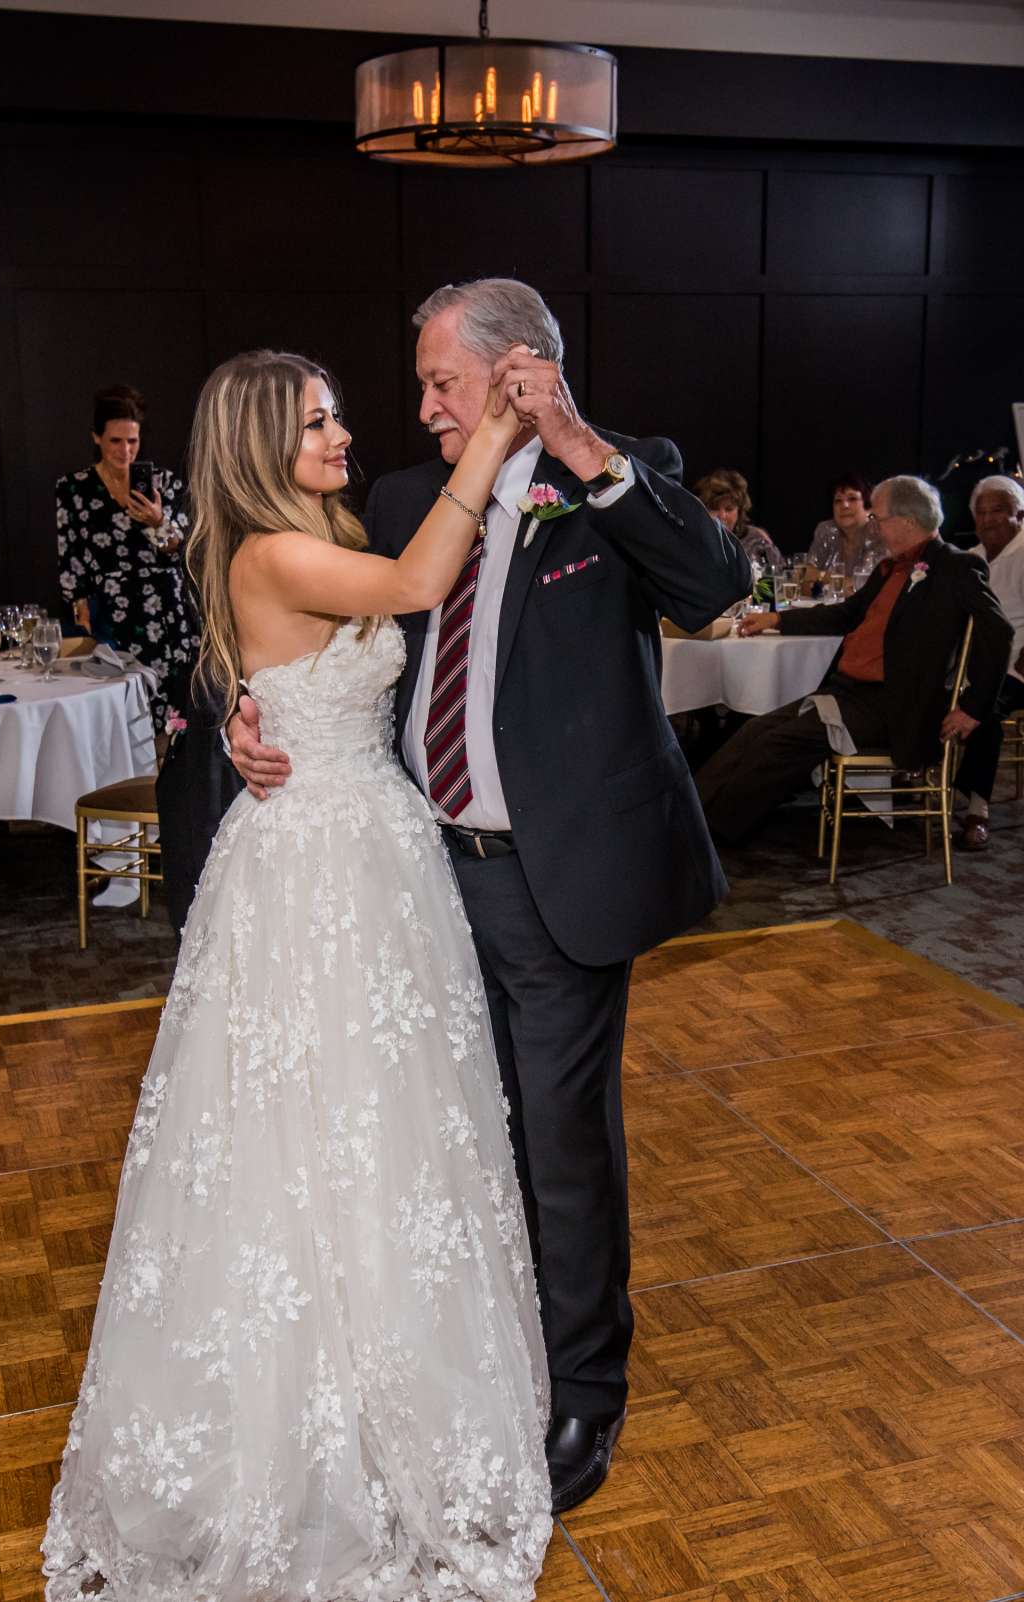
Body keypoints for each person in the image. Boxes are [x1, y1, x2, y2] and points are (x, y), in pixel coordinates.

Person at [225, 278, 752, 1512]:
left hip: (555, 883)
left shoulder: (613, 478)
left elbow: (716, 586)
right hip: (410, 880)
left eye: (442, 385)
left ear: (519, 373)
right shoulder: (409, 505)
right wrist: (246, 717)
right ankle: (472, 1359)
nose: (421, 410)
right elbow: (302, 632)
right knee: (452, 1136)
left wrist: (573, 441)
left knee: (560, 1146)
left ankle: (582, 1395)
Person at [40, 349, 553, 1601]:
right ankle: (304, 1433)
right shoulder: (273, 551)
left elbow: (325, 652)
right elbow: (423, 577)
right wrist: (491, 431)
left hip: (372, 851)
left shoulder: (317, 528)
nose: (343, 432)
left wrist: (249, 709)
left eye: (335, 413)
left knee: (382, 1133)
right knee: (310, 1133)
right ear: (264, 444)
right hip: (321, 871)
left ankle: (384, 1382)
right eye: (317, 421)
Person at [694, 474, 1013, 846]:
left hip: (890, 703)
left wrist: (973, 708)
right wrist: (778, 619)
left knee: (779, 744)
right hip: (849, 692)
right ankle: (689, 814)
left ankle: (710, 835)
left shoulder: (955, 567)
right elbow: (845, 614)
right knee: (755, 729)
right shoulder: (890, 568)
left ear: (907, 522)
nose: (874, 526)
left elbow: (999, 631)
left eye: (878, 518)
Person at [57, 384, 200, 723]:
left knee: (175, 713)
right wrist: (82, 615)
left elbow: (186, 550)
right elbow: (71, 557)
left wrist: (157, 521)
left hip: (166, 609)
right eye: (115, 441)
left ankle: (171, 771)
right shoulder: (73, 488)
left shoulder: (164, 484)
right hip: (112, 613)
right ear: (96, 438)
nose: (125, 451)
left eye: (132, 441)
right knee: (122, 711)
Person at [949, 475, 1024, 849]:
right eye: (981, 513)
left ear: (1019, 514)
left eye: (998, 511)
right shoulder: (971, 559)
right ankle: (920, 783)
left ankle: (976, 809)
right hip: (972, 667)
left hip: (1019, 671)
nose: (988, 520)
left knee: (983, 708)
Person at [696, 467, 783, 581]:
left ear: (740, 511)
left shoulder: (756, 541)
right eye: (714, 508)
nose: (722, 516)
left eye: (729, 509)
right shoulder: (695, 539)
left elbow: (779, 580)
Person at [807, 473, 887, 579]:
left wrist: (821, 577)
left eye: (852, 499)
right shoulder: (827, 530)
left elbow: (866, 586)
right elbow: (806, 579)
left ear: (869, 507)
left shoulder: (879, 532)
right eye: (838, 501)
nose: (844, 505)